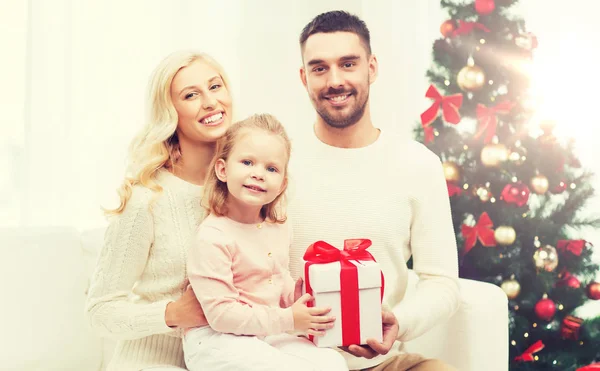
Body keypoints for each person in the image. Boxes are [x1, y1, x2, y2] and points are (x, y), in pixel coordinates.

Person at [286, 10, 461, 371]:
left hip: (381, 362)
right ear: (304, 78)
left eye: (348, 64)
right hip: (289, 358)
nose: (335, 80)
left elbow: (442, 283)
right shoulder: (274, 162)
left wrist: (397, 324)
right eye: (319, 68)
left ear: (372, 67)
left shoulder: (418, 165)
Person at [85, 50, 234, 371]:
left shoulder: (248, 189)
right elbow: (99, 312)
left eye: (215, 86)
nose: (210, 102)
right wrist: (173, 314)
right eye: (191, 95)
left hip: (223, 359)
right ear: (170, 112)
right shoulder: (147, 198)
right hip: (152, 361)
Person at [183, 113, 349, 371]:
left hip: (263, 331)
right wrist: (288, 318)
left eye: (271, 168)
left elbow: (276, 279)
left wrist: (294, 299)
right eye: (247, 162)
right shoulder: (213, 236)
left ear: (282, 184)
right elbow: (221, 315)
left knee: (333, 363)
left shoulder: (278, 226)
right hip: (215, 338)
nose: (258, 174)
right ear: (223, 170)